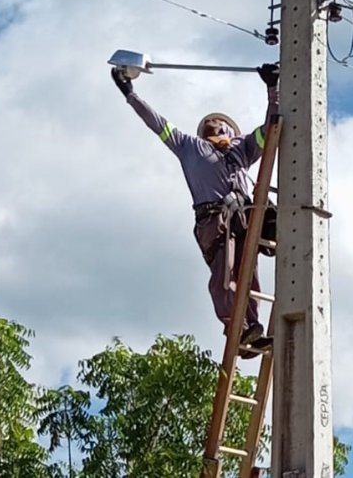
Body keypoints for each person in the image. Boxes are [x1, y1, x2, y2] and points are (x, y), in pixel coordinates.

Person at [110, 64, 279, 357]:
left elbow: (272, 126)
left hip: (242, 218)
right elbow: (156, 122)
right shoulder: (190, 147)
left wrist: (272, 87)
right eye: (211, 124)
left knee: (248, 274)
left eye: (221, 123)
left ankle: (252, 328)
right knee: (224, 276)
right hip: (214, 220)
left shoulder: (242, 150)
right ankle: (236, 328)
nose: (216, 125)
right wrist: (129, 92)